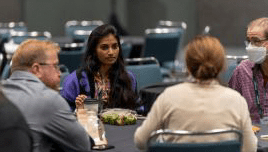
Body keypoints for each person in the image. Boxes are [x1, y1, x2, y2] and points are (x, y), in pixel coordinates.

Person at [134, 35, 257, 152]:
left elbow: (140, 140)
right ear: (222, 65)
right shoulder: (236, 100)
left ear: (187, 65)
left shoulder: (168, 96)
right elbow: (250, 148)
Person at [1, 39, 91, 152]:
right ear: (37, 69)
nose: (59, 73)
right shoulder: (48, 99)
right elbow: (83, 147)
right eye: (55, 66)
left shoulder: (2, 93)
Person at [61, 24, 139, 112]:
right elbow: (64, 115)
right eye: (105, 47)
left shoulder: (129, 78)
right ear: (94, 50)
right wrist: (79, 110)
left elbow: (137, 110)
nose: (111, 52)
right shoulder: (75, 80)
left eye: (115, 47)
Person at [229, 17, 268, 124]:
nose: (250, 47)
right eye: (249, 41)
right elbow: (230, 110)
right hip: (251, 134)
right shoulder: (242, 70)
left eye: (256, 41)